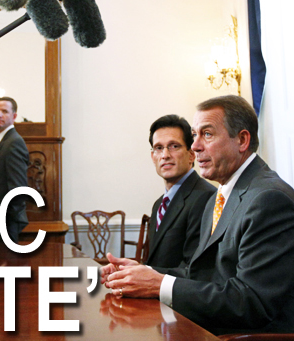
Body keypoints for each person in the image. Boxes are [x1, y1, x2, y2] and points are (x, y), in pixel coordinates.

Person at [102, 95, 294, 334]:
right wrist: (144, 273)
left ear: (242, 140)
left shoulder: (269, 199)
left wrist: (159, 285)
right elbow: (203, 274)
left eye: (207, 134)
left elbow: (251, 302)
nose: (195, 146)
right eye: (195, 135)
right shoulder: (219, 196)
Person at [146, 115, 215, 268]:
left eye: (174, 146)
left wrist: (145, 274)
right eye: (159, 148)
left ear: (191, 155)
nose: (165, 155)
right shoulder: (158, 205)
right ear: (153, 157)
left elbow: (195, 269)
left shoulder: (206, 198)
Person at [0, 97, 29, 243]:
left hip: (4, 221)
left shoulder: (14, 141)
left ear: (14, 116)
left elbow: (18, 187)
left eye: (4, 111)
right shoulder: (1, 140)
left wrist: (6, 221)